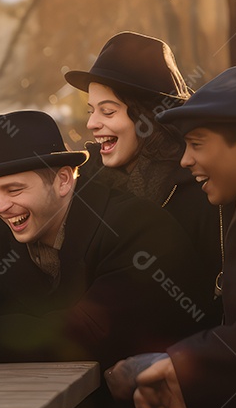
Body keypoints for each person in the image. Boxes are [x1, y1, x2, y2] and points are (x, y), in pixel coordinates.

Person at [0, 110, 208, 366]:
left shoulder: (133, 225)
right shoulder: (4, 238)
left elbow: (97, 328)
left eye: (14, 190)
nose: (0, 207)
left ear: (63, 180)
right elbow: (9, 314)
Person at [107, 65, 236, 408]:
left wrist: (182, 365)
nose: (185, 159)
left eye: (195, 144)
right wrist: (187, 392)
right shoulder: (234, 201)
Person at [69, 31, 220, 311]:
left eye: (108, 111)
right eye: (91, 111)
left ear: (146, 118)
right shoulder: (84, 187)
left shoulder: (204, 189)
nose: (92, 124)